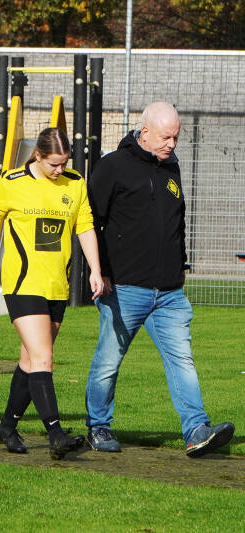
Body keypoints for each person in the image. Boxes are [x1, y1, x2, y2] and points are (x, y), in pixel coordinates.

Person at [84, 102, 235, 457]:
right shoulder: (113, 166)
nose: (172, 143)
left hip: (169, 292)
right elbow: (89, 221)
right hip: (123, 286)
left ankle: (197, 428)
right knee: (109, 360)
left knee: (182, 359)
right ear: (145, 131)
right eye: (166, 136)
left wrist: (179, 265)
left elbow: (176, 223)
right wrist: (100, 271)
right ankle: (98, 426)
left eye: (176, 137)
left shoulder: (172, 168)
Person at [0, 127, 102, 459]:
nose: (59, 170)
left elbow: (85, 226)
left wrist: (96, 272)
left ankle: (7, 426)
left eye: (64, 163)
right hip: (22, 284)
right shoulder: (12, 183)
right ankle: (56, 433)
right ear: (38, 156)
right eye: (53, 164)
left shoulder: (74, 183)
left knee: (30, 361)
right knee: (44, 358)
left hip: (56, 285)